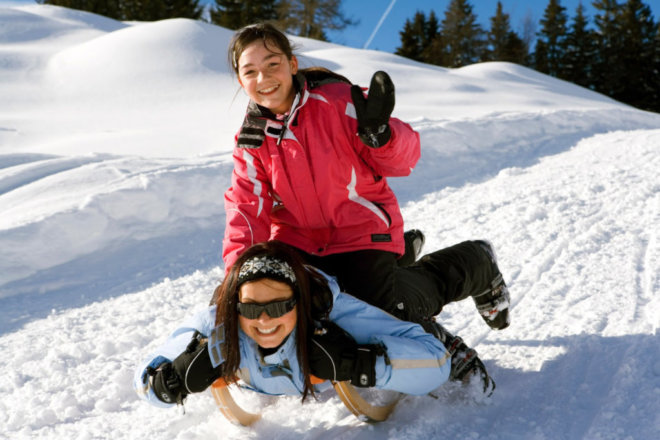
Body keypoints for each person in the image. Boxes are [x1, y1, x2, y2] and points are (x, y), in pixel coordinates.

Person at [221, 22, 510, 336]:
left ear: (292, 64)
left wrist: (383, 137)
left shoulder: (339, 101)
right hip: (298, 244)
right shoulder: (252, 139)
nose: (263, 79)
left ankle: (473, 263)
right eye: (250, 72)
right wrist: (241, 272)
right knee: (292, 312)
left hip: (360, 233)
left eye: (272, 64)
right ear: (240, 79)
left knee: (383, 316)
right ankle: (397, 264)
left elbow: (406, 158)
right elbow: (246, 209)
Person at [134, 241, 485, 410]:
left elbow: (434, 363)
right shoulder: (218, 326)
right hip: (297, 251)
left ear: (299, 304)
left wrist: (356, 362)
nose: (265, 319)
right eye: (252, 308)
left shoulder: (338, 317)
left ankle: (474, 259)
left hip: (350, 262)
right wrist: (172, 380)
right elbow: (146, 379)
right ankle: (398, 253)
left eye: (279, 306)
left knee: (406, 298)